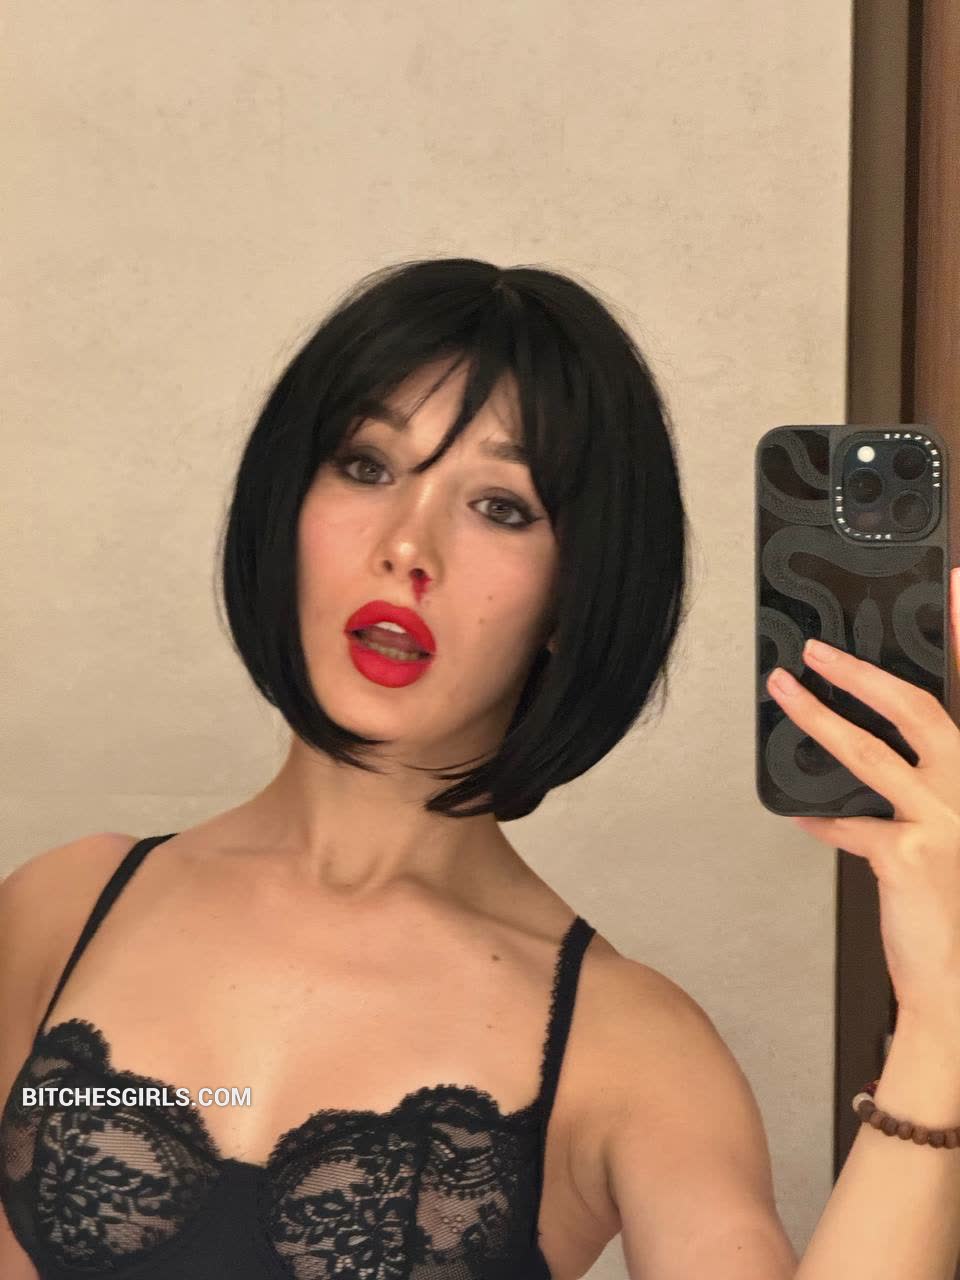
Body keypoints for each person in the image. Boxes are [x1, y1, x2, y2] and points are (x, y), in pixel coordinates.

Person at [1, 257, 959, 1280]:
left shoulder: (631, 1048)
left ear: (575, 594)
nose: (407, 546)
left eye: (500, 506)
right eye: (366, 465)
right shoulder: (60, 908)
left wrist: (944, 1017)